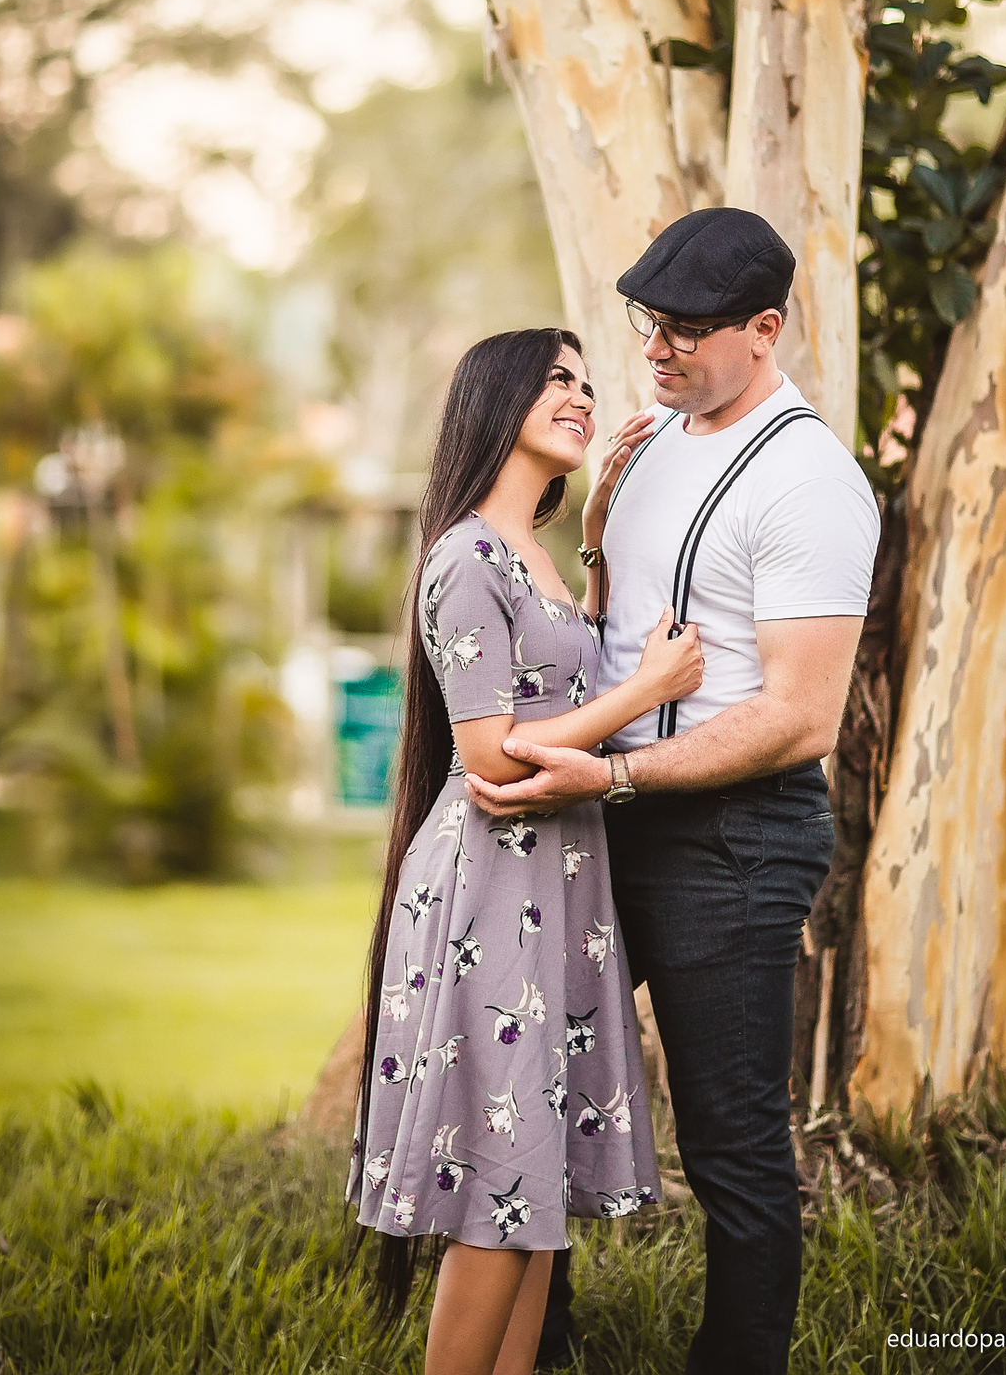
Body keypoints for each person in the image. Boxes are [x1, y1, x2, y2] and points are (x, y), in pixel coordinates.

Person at [465, 211, 882, 1375]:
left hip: (732, 840)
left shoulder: (811, 482)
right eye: (649, 320)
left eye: (689, 329)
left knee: (732, 1145)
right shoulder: (650, 445)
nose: (656, 348)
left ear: (765, 330)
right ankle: (529, 1357)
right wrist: (598, 543)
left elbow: (802, 714)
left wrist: (618, 773)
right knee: (530, 1100)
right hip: (601, 816)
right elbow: (617, 638)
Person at [348, 325, 704, 1375]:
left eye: (588, 383)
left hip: (557, 885)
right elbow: (494, 756)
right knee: (499, 1180)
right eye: (558, 379)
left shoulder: (533, 558)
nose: (583, 396)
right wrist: (648, 691)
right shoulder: (463, 557)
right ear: (496, 398)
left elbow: (560, 681)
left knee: (533, 1182)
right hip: (493, 886)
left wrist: (592, 542)